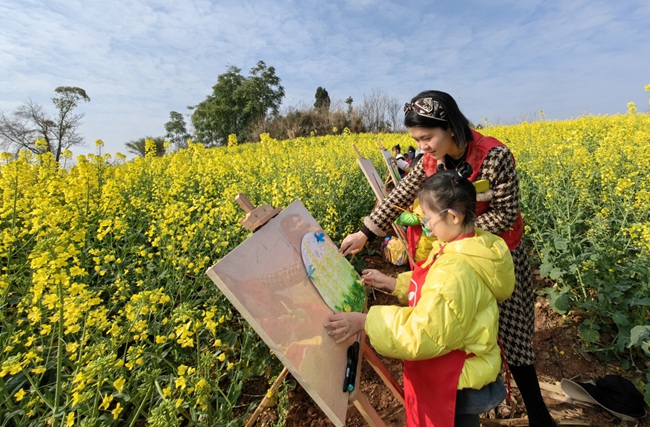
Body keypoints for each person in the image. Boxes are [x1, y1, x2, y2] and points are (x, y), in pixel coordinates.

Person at [339, 90, 556, 427]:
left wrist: (457, 231)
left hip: (495, 258)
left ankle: (539, 415)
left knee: (514, 341)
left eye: (427, 137)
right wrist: (366, 232)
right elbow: (399, 195)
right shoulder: (428, 161)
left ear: (450, 128)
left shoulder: (494, 155)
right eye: (416, 139)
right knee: (459, 333)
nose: (422, 145)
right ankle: (470, 400)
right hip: (454, 259)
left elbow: (506, 214)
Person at [326, 168, 514, 426]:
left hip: (456, 383)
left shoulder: (456, 271)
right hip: (465, 370)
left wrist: (366, 321)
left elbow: (423, 332)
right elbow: (435, 286)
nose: (426, 227)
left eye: (428, 219)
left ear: (454, 217)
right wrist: (394, 284)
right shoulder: (472, 245)